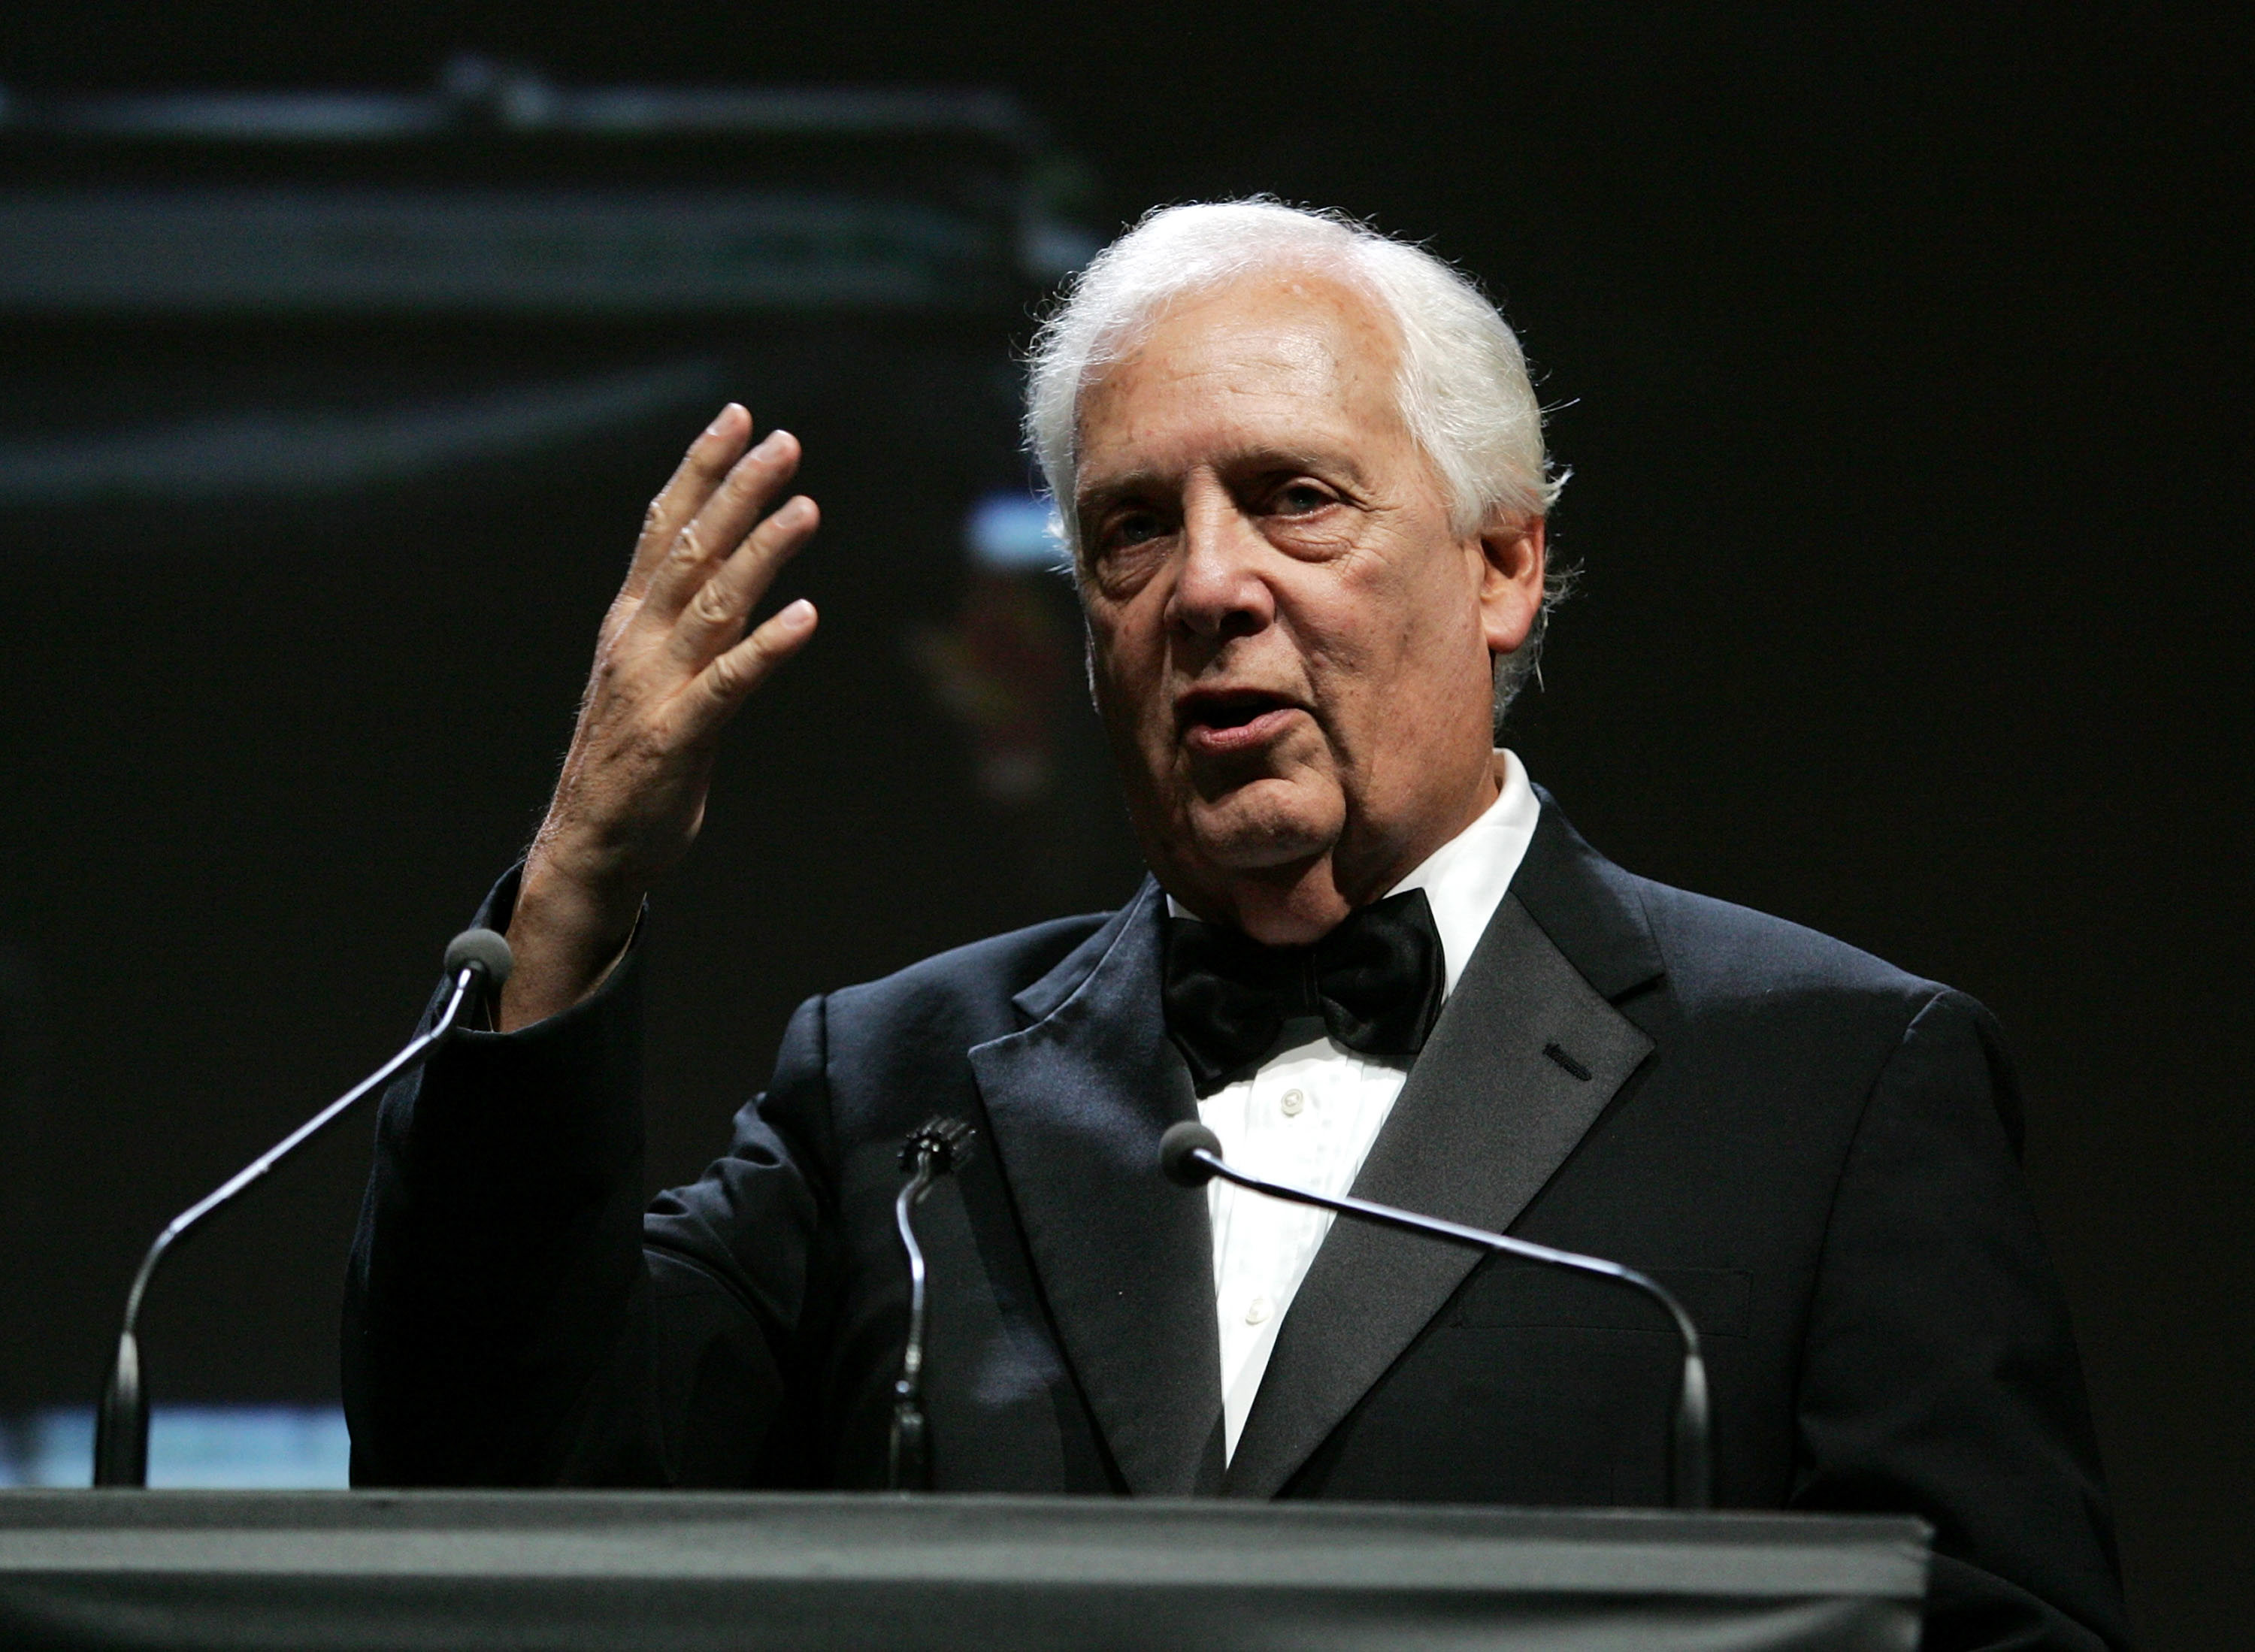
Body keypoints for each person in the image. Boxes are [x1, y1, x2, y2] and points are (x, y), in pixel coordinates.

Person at [345, 201, 2130, 1650]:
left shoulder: (1831, 1080)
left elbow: (1991, 1630)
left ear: (1500, 565)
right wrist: (575, 889)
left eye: (1295, 498)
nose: (1208, 585)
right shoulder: (895, 1090)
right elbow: (480, 1471)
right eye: (1133, 527)